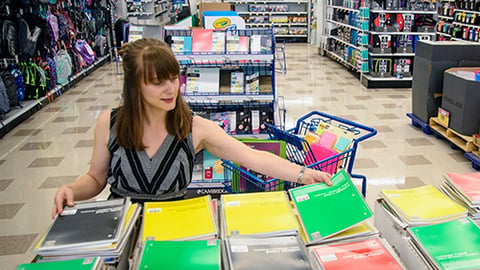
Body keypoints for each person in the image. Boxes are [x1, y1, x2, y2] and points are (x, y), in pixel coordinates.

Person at [52, 38, 332, 217]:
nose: (171, 88)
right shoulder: (110, 123)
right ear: (135, 85)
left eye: (174, 79)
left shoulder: (194, 127)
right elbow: (96, 178)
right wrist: (72, 190)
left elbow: (253, 157)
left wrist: (303, 174)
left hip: (177, 225)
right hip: (121, 224)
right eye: (158, 82)